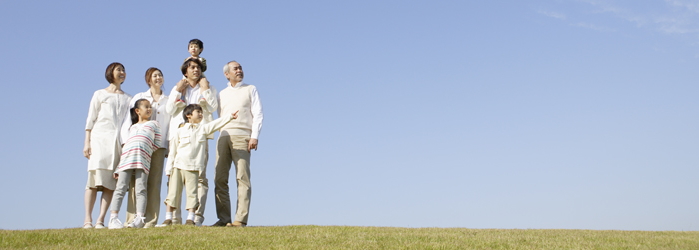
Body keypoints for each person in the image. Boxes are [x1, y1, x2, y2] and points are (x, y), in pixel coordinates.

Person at [159, 104, 238, 226]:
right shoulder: (179, 131)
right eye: (198, 112)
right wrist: (168, 169)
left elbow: (216, 124)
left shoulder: (203, 129)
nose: (201, 114)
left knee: (192, 194)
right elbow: (173, 151)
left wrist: (230, 117)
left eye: (201, 112)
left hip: (193, 168)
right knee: (173, 193)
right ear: (188, 115)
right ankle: (168, 218)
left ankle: (190, 219)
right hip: (178, 166)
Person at [165, 58, 218, 226]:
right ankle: (174, 217)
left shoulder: (208, 86)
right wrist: (177, 91)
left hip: (200, 136)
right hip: (180, 136)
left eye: (199, 68)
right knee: (175, 177)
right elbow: (169, 110)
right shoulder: (178, 87)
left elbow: (212, 107)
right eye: (193, 67)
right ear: (185, 71)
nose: (196, 70)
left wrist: (205, 89)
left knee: (200, 177)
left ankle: (196, 217)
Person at [211, 61, 264, 227]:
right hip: (223, 136)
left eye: (240, 67)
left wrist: (254, 136)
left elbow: (258, 113)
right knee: (220, 178)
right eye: (235, 68)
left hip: (243, 136)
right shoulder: (222, 94)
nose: (239, 70)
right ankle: (224, 218)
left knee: (242, 177)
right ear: (227, 74)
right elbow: (220, 116)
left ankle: (240, 219)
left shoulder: (250, 89)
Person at [119, 67, 171, 228]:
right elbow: (128, 122)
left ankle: (149, 220)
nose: (158, 78)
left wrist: (169, 146)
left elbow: (170, 125)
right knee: (136, 183)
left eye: (160, 75)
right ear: (148, 79)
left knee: (154, 183)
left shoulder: (168, 100)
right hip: (138, 146)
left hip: (158, 146)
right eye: (155, 76)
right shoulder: (140, 97)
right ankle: (132, 218)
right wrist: (126, 142)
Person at [83, 62, 132, 229]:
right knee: (93, 181)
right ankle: (87, 219)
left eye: (123, 70)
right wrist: (87, 142)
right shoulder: (99, 94)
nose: (122, 72)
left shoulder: (128, 98)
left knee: (111, 182)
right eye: (119, 70)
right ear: (110, 72)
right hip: (99, 139)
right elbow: (91, 119)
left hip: (117, 143)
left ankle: (100, 220)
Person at [108, 99, 162, 229]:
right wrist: (118, 167)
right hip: (126, 160)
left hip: (143, 160)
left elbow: (157, 144)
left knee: (141, 188)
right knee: (120, 188)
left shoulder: (154, 124)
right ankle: (113, 218)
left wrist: (145, 151)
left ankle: (139, 218)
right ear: (137, 111)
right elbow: (127, 146)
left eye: (150, 107)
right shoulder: (132, 127)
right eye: (146, 107)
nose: (149, 109)